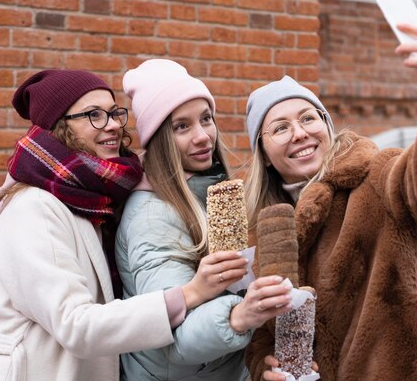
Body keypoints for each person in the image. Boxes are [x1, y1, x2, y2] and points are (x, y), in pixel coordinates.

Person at [243, 22, 417, 381]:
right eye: (281, 127)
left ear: (327, 126)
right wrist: (264, 367)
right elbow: (261, 335)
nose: (300, 132)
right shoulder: (262, 233)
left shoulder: (379, 180)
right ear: (265, 153)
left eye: (308, 118)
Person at [0, 69, 243, 381]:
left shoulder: (94, 201)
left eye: (113, 113)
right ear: (60, 128)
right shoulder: (33, 208)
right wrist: (190, 293)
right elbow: (75, 324)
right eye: (93, 114)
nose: (111, 125)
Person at [116, 59, 292, 381]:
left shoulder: (212, 193)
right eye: (181, 126)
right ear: (158, 139)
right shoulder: (152, 214)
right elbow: (174, 338)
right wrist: (240, 316)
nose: (202, 136)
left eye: (206, 119)